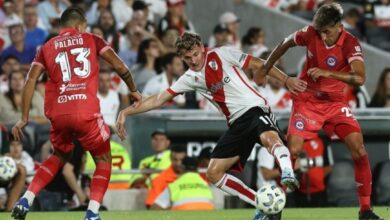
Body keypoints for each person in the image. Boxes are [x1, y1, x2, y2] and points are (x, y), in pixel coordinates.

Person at [116, 32, 307, 219]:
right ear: (181, 57)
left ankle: (287, 172)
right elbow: (157, 99)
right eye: (187, 58)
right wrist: (125, 112)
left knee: (269, 138)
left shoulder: (222, 54)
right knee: (213, 173)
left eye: (196, 54)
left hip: (255, 108)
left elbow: (259, 63)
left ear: (201, 48)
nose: (193, 60)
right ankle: (261, 202)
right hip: (236, 123)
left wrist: (287, 80)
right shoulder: (189, 78)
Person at [10, 7, 141, 220]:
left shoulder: (46, 47)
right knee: (104, 160)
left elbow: (30, 80)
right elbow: (119, 65)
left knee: (60, 155)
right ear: (80, 26)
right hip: (85, 111)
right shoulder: (92, 39)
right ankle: (92, 213)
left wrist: (24, 118)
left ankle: (27, 198)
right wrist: (133, 90)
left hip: (59, 113)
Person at [261, 3, 383, 219]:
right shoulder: (310, 33)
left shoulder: (351, 44)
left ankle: (365, 210)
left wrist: (328, 73)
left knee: (360, 151)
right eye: (320, 32)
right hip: (307, 101)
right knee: (293, 152)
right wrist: (265, 68)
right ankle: (277, 210)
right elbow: (284, 43)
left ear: (338, 26)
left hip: (335, 104)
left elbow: (360, 77)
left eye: (326, 31)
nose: (323, 36)